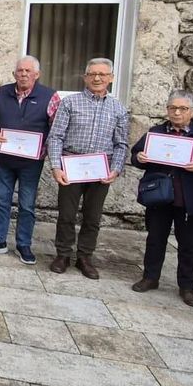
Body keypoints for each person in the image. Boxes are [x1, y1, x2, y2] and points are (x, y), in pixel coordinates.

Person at [129, 90, 193, 306]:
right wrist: (139, 157)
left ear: (192, 111)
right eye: (172, 108)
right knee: (155, 239)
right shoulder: (155, 133)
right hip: (160, 197)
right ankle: (150, 277)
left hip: (190, 200)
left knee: (189, 244)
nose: (176, 112)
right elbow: (136, 155)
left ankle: (187, 286)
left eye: (182, 108)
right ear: (167, 110)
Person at [46, 58, 128, 278]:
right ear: (85, 77)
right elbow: (55, 137)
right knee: (66, 214)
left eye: (102, 74)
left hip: (101, 171)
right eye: (92, 74)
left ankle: (85, 257)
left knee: (92, 217)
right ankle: (62, 254)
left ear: (111, 78)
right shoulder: (70, 103)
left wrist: (116, 169)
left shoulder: (118, 108)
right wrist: (56, 166)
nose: (97, 78)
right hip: (72, 165)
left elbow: (121, 144)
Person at [0, 55, 59, 264]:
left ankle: (24, 244)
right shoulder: (2, 92)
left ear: (37, 74)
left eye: (28, 71)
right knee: (1, 200)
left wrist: (44, 149)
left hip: (31, 162)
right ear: (14, 73)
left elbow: (56, 129)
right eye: (20, 71)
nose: (23, 74)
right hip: (5, 158)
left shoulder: (50, 97)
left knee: (26, 204)